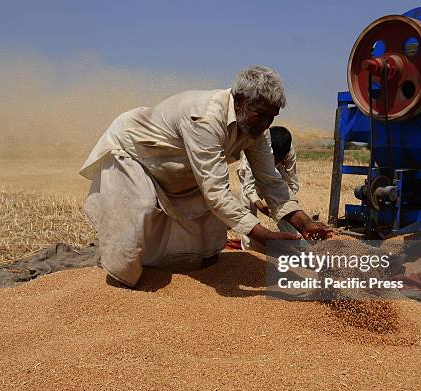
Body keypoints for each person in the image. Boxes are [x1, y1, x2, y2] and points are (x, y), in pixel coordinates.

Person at [79, 65, 332, 288]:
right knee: (139, 211)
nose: (266, 124)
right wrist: (264, 237)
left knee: (206, 229)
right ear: (240, 100)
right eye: (261, 114)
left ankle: (174, 264)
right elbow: (216, 193)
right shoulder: (206, 118)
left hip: (176, 166)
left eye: (272, 118)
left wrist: (305, 223)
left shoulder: (257, 130)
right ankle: (120, 283)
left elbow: (270, 181)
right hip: (135, 152)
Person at [238, 126, 300, 252]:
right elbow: (248, 186)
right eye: (272, 159)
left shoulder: (289, 153)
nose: (274, 162)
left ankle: (296, 244)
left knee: (287, 205)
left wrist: (278, 202)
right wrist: (260, 205)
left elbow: (293, 184)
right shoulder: (256, 147)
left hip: (277, 177)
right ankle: (249, 249)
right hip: (253, 177)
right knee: (247, 206)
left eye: (278, 160)